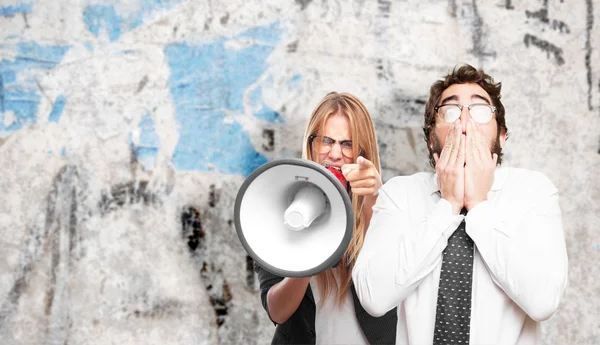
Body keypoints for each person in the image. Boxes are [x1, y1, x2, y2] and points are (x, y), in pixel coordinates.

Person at [352, 64, 568, 345]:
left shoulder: (533, 193)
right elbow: (374, 298)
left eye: (479, 110)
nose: (464, 122)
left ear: (502, 136)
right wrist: (448, 205)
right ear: (431, 138)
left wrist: (478, 205)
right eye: (450, 111)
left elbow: (543, 301)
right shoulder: (399, 195)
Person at [255, 92, 397, 344]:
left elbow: (390, 284)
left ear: (363, 151)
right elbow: (277, 311)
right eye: (326, 140)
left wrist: (375, 201)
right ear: (311, 145)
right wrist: (310, 255)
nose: (334, 153)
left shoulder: (390, 207)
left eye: (347, 144)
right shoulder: (277, 211)